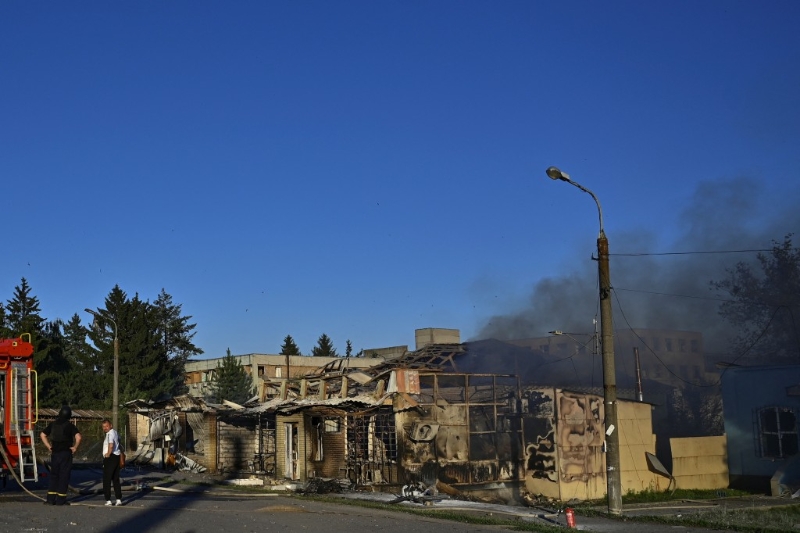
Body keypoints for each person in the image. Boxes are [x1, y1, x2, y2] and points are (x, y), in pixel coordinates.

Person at [40, 405, 81, 505]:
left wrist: (49, 446)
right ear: (69, 415)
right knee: (64, 476)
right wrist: (75, 447)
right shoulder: (70, 426)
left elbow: (42, 435)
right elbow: (79, 437)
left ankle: (50, 500)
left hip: (55, 453)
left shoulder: (53, 424)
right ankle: (60, 500)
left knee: (54, 475)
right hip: (66, 454)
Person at [101, 419, 123, 506]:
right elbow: (119, 441)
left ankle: (108, 499)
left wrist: (108, 454)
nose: (105, 428)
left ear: (111, 426)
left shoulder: (110, 434)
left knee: (107, 479)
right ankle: (118, 499)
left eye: (106, 426)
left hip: (111, 457)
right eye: (103, 427)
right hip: (117, 456)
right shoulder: (115, 433)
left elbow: (111, 445)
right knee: (115, 479)